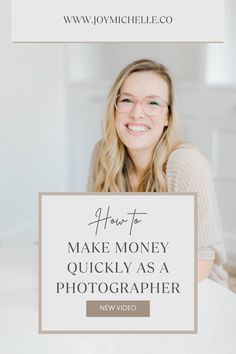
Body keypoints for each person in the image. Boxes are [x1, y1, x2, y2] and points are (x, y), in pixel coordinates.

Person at [87, 58, 228, 287]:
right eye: (126, 100)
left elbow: (201, 261)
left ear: (167, 117)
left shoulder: (186, 163)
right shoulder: (103, 155)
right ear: (114, 109)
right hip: (125, 278)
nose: (136, 113)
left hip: (195, 285)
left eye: (152, 103)